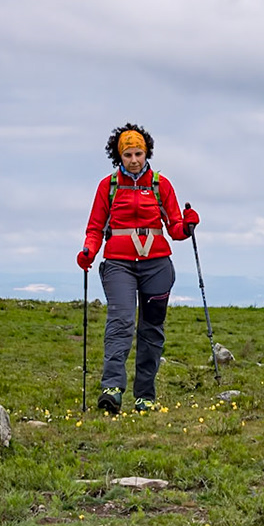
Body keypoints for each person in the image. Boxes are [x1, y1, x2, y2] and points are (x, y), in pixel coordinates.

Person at [76, 125, 201, 414]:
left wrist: (188, 225)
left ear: (147, 153)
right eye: (128, 154)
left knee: (151, 328)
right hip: (118, 264)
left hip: (157, 264)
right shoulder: (108, 187)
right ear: (119, 156)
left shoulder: (161, 185)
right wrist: (88, 251)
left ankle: (145, 395)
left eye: (138, 154)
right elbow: (95, 228)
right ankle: (111, 389)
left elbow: (175, 228)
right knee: (120, 322)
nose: (134, 160)